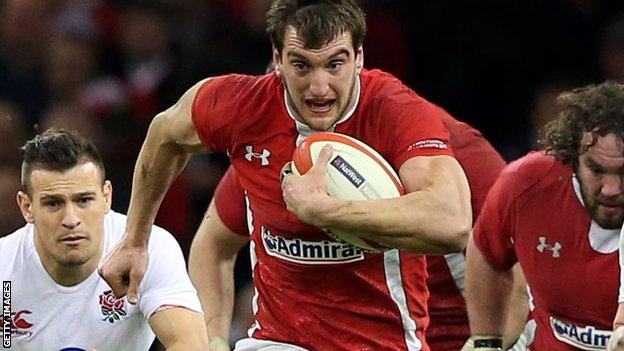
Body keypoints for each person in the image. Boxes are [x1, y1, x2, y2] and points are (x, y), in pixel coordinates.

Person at [99, 0, 475, 350]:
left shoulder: (395, 110)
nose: (319, 87)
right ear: (277, 59)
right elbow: (165, 136)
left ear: (359, 57)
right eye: (301, 65)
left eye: (335, 64)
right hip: (277, 341)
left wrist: (325, 212)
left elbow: (453, 222)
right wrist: (135, 240)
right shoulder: (243, 106)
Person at [192, 116, 531, 351]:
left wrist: (486, 344)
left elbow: (517, 278)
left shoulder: (454, 151)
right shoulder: (273, 151)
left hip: (479, 334)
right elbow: (212, 245)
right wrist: (214, 341)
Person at [0, 129, 208, 351]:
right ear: (27, 207)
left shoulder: (147, 248)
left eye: (84, 200)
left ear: (106, 196)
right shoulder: (4, 266)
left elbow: (191, 345)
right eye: (53, 203)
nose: (71, 220)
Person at [465, 82, 624, 350]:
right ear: (572, 156)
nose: (611, 189)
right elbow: (486, 252)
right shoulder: (526, 185)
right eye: (597, 170)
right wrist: (485, 341)